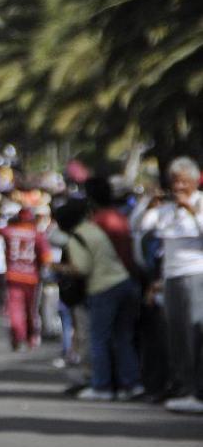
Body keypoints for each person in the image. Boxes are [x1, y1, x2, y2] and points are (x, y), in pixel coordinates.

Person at [57, 198, 143, 401]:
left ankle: (102, 385)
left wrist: (58, 267)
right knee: (123, 338)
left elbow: (82, 268)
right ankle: (130, 384)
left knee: (99, 338)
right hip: (125, 283)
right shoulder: (94, 229)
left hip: (103, 288)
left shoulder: (76, 237)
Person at [139, 157, 203, 413]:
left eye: (184, 182)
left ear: (195, 181)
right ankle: (186, 387)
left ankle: (198, 390)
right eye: (175, 182)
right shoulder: (167, 210)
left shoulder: (200, 204)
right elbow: (141, 226)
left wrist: (192, 211)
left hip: (196, 275)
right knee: (176, 335)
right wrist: (149, 204)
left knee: (195, 333)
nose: (178, 187)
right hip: (171, 277)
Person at [0, 208, 52, 351]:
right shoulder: (38, 235)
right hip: (31, 278)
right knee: (31, 310)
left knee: (15, 309)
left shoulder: (10, 231)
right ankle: (30, 337)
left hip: (13, 276)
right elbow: (46, 258)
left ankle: (18, 336)